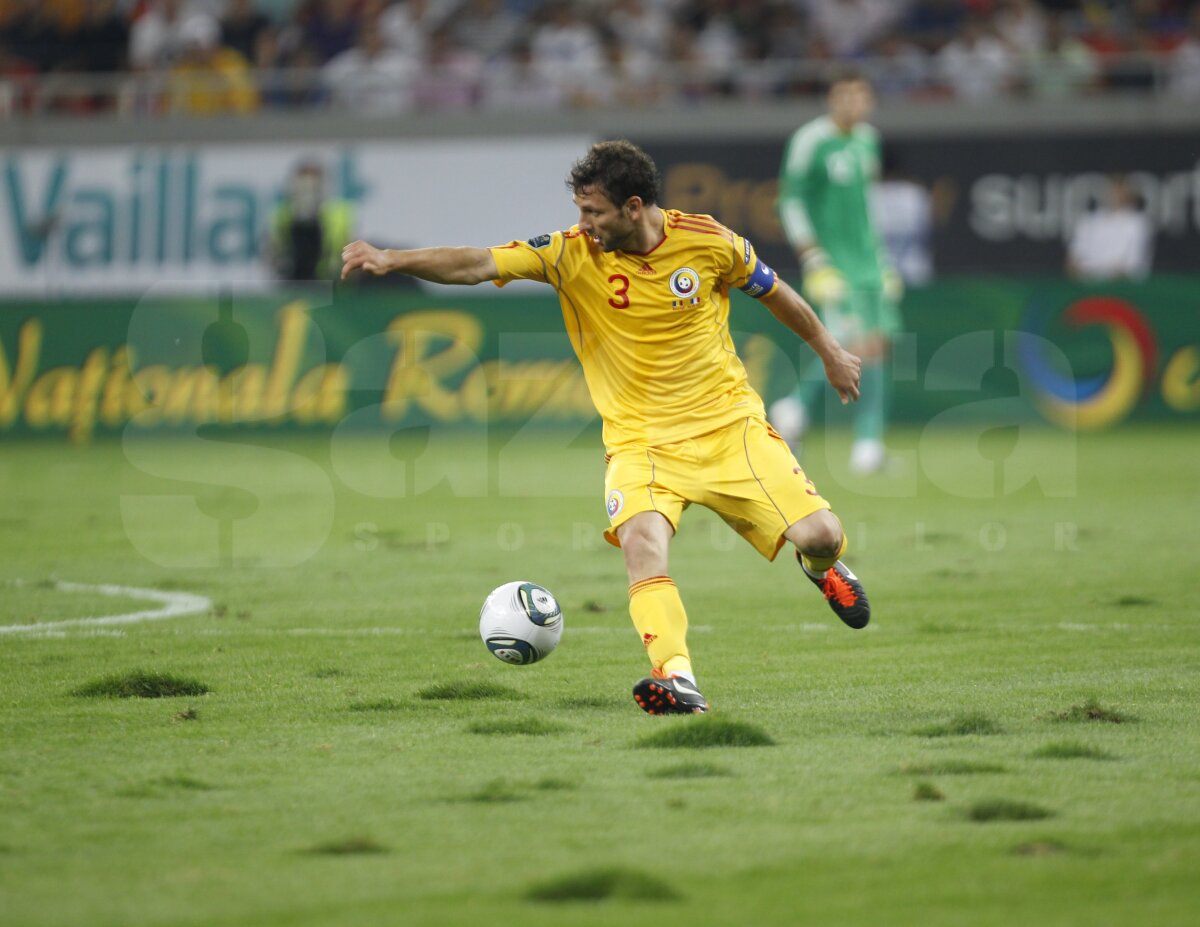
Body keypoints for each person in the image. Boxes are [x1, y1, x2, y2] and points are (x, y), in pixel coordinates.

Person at [340, 140, 871, 716]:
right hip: (640, 444)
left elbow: (775, 293)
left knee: (820, 535)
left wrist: (829, 350)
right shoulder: (568, 254)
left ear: (633, 207)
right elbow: (478, 263)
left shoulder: (709, 240)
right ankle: (677, 677)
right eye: (580, 210)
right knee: (642, 546)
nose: (583, 224)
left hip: (730, 428)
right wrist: (392, 260)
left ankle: (819, 568)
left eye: (593, 212)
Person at [772, 69, 901, 476]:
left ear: (869, 101)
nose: (852, 103)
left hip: (869, 264)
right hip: (833, 263)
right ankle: (796, 408)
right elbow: (790, 201)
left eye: (859, 96)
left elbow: (869, 205)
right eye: (844, 95)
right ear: (831, 99)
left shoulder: (868, 140)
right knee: (850, 343)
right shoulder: (811, 141)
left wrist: (883, 259)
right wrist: (813, 258)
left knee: (878, 344)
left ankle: (867, 445)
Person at [269, 160, 355, 282]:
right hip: (293, 280)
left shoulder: (339, 215)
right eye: (303, 186)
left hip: (329, 281)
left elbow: (349, 254)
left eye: (313, 186)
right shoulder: (283, 215)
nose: (307, 191)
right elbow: (274, 253)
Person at [1065, 174, 1154, 282]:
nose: (1115, 194)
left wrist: (1109, 275)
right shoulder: (1088, 221)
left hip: (1121, 286)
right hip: (1086, 284)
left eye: (1120, 190)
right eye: (1112, 190)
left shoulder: (1138, 223)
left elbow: (1134, 266)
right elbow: (1073, 261)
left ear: (1128, 194)